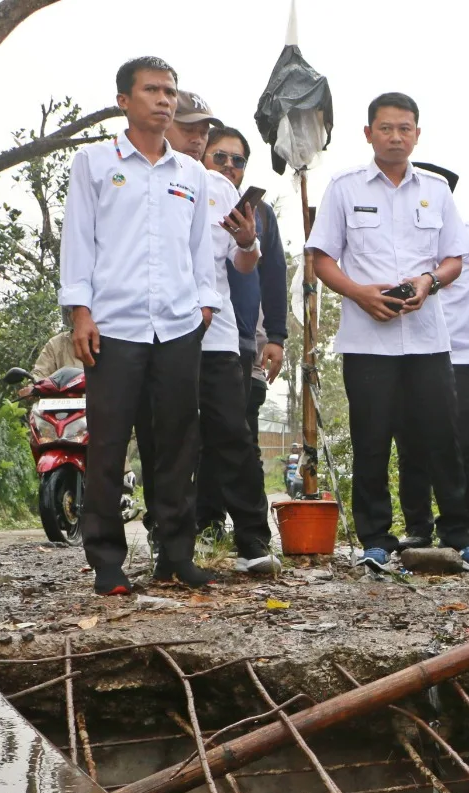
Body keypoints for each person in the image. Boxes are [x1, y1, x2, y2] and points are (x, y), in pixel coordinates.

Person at [60, 57, 220, 595]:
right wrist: (80, 311)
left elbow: (200, 248)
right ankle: (107, 561)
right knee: (108, 447)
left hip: (177, 327)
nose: (164, 100)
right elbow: (78, 239)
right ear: (124, 101)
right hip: (114, 327)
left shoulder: (192, 174)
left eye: (170, 91)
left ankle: (175, 555)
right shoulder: (95, 162)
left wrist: (204, 306)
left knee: (176, 446)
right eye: (152, 90)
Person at [305, 92, 469, 575]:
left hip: (427, 338)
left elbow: (455, 259)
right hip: (367, 340)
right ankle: (376, 540)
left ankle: (460, 535)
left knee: (444, 438)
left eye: (405, 128)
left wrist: (429, 282)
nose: (396, 137)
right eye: (386, 128)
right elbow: (321, 258)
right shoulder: (344, 188)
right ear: (368, 134)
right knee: (372, 439)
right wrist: (359, 293)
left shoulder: (437, 190)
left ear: (417, 133)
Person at [160, 100, 276, 575]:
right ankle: (170, 540)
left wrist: (248, 241)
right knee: (171, 437)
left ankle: (253, 539)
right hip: (161, 331)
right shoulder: (147, 182)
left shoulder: (220, 188)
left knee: (233, 434)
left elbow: (243, 263)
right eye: (188, 127)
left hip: (219, 335)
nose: (196, 137)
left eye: (203, 129)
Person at [394, 163, 469, 551]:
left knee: (462, 442)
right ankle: (418, 527)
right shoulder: (399, 242)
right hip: (408, 353)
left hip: (459, 357)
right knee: (411, 442)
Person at [199, 125, 289, 537]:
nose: (229, 166)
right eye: (220, 156)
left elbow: (274, 275)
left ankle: (249, 532)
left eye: (238, 160)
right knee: (196, 435)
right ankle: (206, 522)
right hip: (193, 333)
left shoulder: (261, 214)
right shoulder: (189, 198)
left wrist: (276, 337)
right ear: (203, 157)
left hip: (242, 338)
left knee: (240, 434)